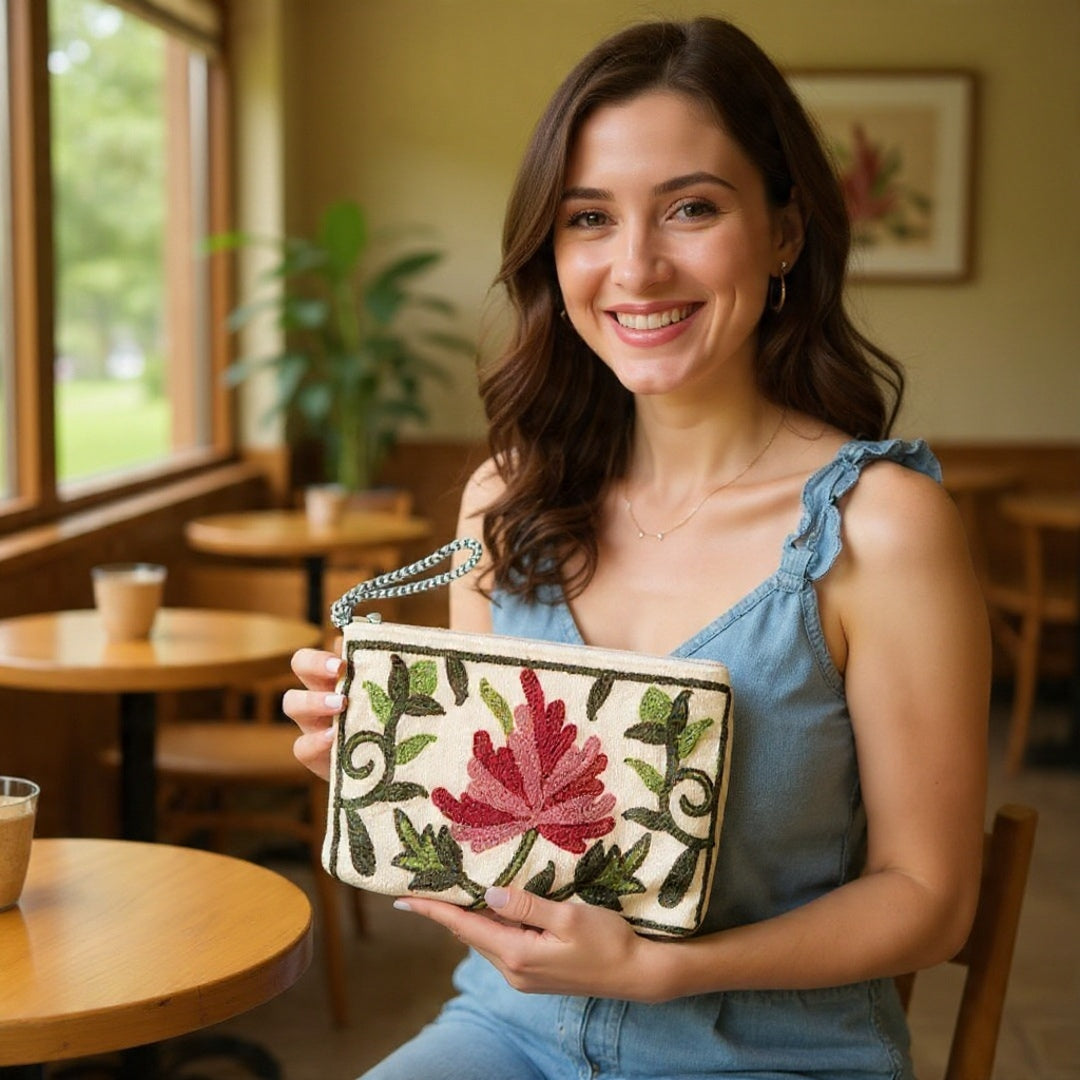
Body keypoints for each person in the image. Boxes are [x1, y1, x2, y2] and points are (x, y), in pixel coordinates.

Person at [285, 15, 990, 1079]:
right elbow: (496, 860)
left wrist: (663, 972)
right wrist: (385, 766)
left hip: (770, 1055)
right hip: (508, 1033)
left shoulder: (880, 526)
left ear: (785, 231)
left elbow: (930, 904)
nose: (637, 266)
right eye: (589, 219)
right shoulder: (504, 507)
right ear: (551, 251)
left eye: (692, 208)